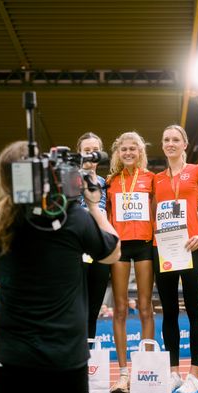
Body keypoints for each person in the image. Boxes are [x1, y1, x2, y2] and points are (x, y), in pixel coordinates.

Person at [0, 140, 120, 393]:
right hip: (65, 357)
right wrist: (93, 206)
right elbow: (114, 252)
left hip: (10, 358)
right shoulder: (73, 218)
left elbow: (18, 214)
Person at [152, 125, 198, 393]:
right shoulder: (156, 179)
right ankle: (173, 374)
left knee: (194, 311)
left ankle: (194, 377)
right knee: (169, 313)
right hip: (164, 249)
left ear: (185, 144)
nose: (170, 143)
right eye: (166, 139)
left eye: (175, 139)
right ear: (162, 145)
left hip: (191, 246)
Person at [105, 131, 155, 393]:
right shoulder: (110, 181)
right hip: (119, 247)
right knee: (121, 309)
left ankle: (146, 370)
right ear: (117, 152)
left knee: (146, 307)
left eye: (133, 149)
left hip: (145, 245)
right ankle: (123, 374)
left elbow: (159, 210)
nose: (128, 153)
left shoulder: (151, 179)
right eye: (123, 149)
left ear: (140, 152)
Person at [76, 132, 112, 342]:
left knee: (93, 310)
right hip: (77, 250)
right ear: (79, 153)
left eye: (95, 150)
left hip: (100, 250)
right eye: (86, 150)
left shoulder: (104, 182)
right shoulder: (69, 178)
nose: (91, 155)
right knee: (75, 309)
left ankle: (86, 363)